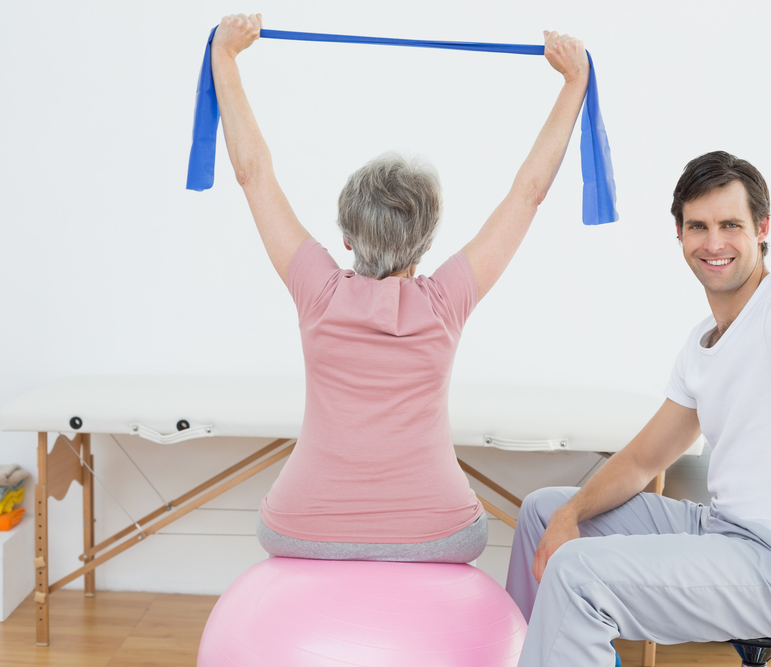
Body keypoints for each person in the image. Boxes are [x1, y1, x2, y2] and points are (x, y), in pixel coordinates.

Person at [210, 13, 590, 562]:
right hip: (439, 532)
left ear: (345, 237)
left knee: (273, 513)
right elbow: (527, 194)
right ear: (426, 242)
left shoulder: (317, 289)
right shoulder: (446, 299)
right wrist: (572, 83)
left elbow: (253, 174)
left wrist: (226, 57)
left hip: (302, 525)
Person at [506, 151, 771, 666]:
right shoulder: (701, 346)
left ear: (762, 228)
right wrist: (570, 513)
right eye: (698, 226)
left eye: (730, 225)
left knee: (579, 572)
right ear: (679, 235)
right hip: (725, 532)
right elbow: (643, 460)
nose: (713, 243)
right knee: (544, 512)